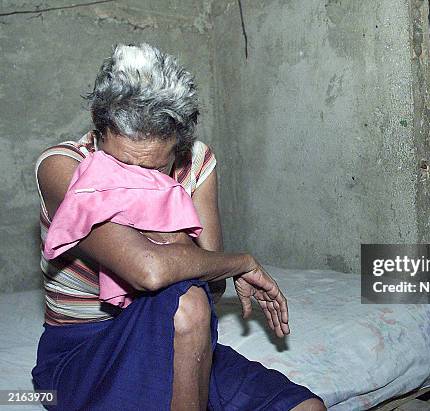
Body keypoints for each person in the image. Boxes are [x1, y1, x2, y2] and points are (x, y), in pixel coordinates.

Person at [32, 43, 326, 410]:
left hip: (177, 336)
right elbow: (150, 271)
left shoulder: (198, 162)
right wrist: (241, 261)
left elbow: (210, 285)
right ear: (99, 130)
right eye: (122, 164)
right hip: (85, 354)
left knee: (307, 408)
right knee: (185, 304)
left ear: (179, 145)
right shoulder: (63, 168)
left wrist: (184, 254)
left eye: (154, 169)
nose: (139, 180)